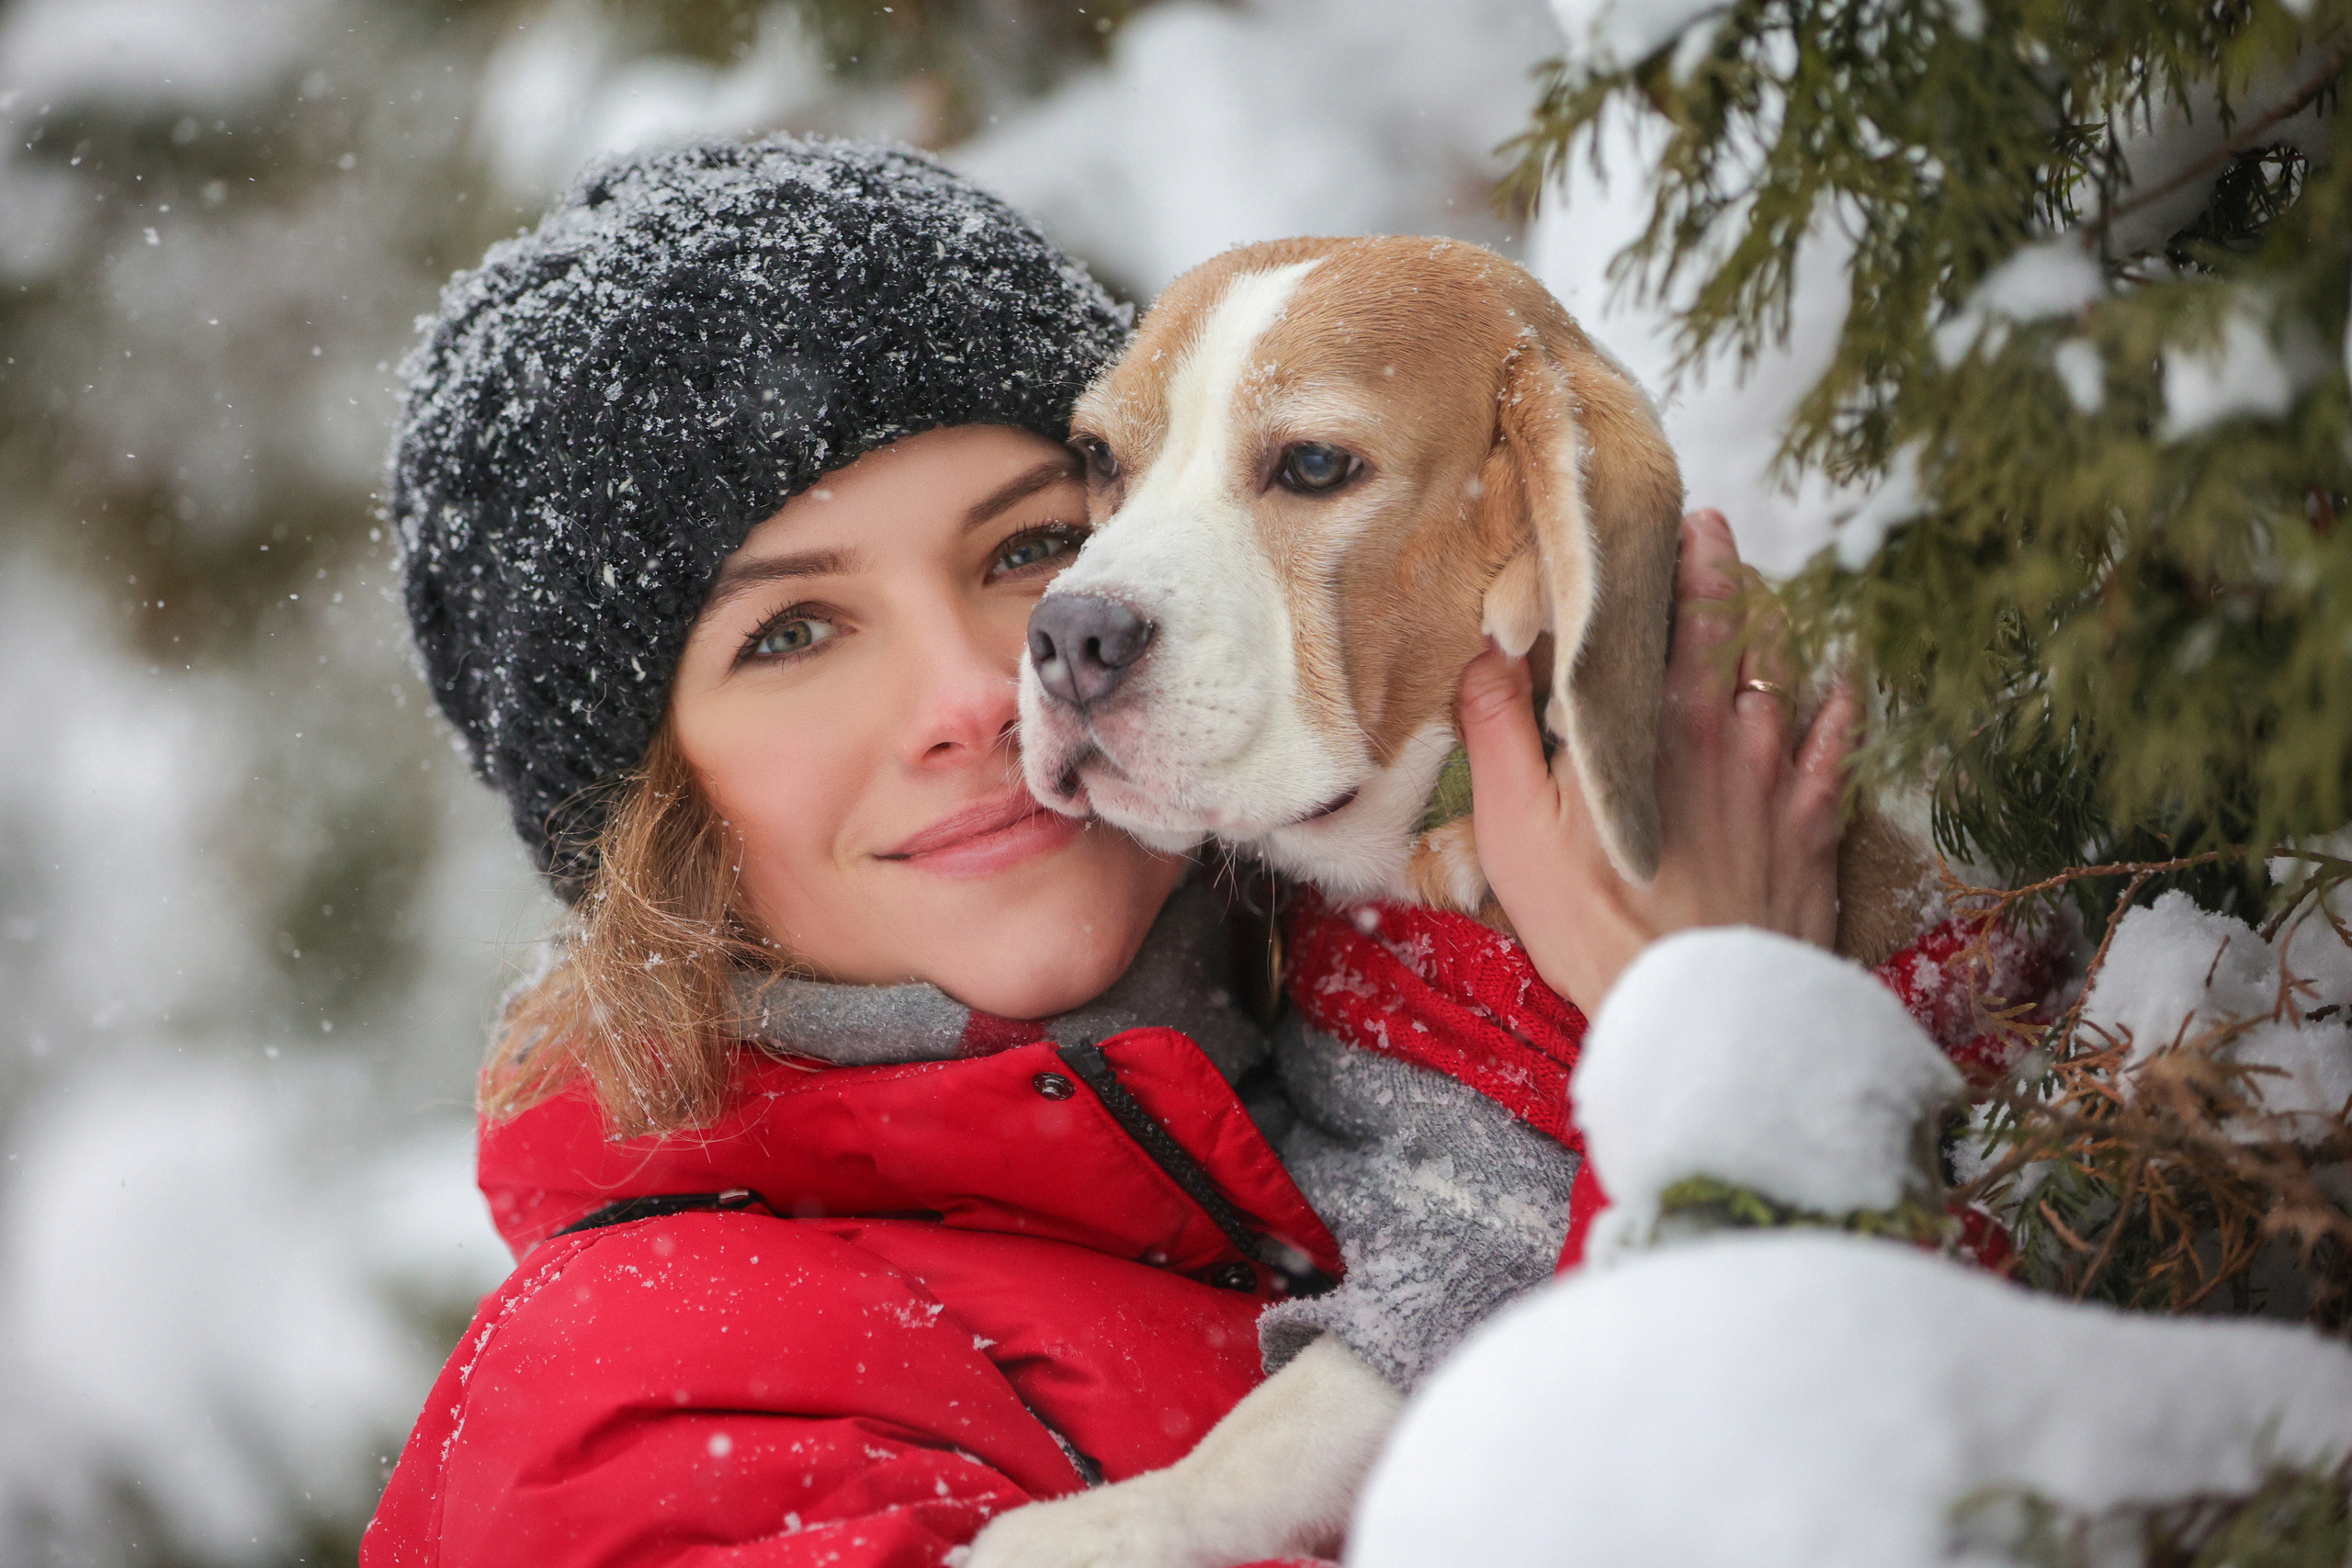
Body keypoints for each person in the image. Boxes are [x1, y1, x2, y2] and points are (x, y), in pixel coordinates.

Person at [361, 137, 1859, 1568]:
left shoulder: (1368, 1055)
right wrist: (1733, 1099)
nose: (976, 693)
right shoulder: (628, 1402)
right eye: (793, 633)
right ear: (647, 812)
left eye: (1023, 550)